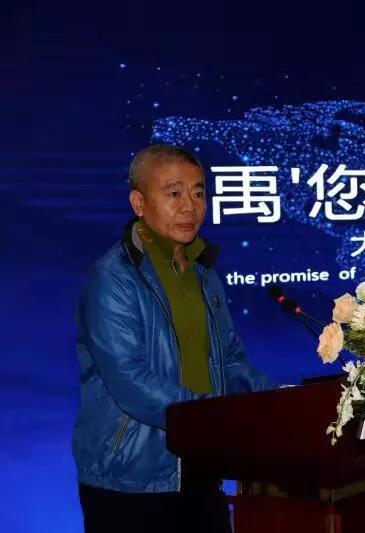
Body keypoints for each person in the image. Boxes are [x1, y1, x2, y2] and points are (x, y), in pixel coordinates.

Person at [72, 144, 278, 533]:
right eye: (174, 193)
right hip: (131, 481)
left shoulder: (204, 273)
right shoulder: (113, 278)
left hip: (202, 466)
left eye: (198, 193)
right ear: (138, 202)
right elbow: (130, 381)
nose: (190, 206)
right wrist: (212, 418)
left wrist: (278, 399)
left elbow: (231, 360)